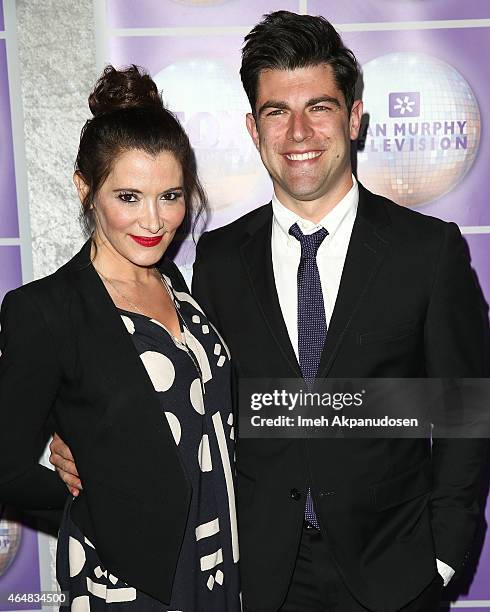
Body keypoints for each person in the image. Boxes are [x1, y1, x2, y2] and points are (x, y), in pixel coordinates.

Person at [50, 11, 489, 612]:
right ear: (254, 130)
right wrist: (75, 436)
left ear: (354, 117)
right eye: (277, 112)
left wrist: (444, 552)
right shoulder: (219, 259)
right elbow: (190, 394)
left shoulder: (428, 251)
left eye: (320, 107)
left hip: (397, 568)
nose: (299, 132)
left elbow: (465, 406)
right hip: (260, 574)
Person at [0, 65, 240, 611]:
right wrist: (97, 497)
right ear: (86, 189)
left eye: (171, 195)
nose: (154, 221)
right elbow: (5, 467)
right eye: (129, 197)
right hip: (130, 584)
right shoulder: (46, 310)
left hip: (217, 567)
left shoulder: (177, 285)